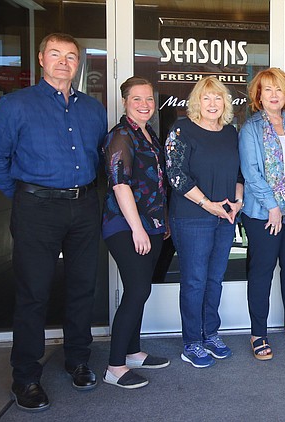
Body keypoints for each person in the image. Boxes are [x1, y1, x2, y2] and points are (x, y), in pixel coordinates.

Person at [0, 33, 107, 411]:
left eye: (71, 56)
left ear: (78, 63)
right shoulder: (15, 105)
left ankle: (78, 360)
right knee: (33, 293)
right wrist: (25, 197)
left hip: (84, 206)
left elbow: (99, 159)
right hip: (36, 208)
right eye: (56, 54)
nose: (64, 62)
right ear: (41, 59)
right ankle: (26, 377)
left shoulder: (93, 109)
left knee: (83, 287)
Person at [165, 76, 243, 368]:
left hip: (225, 216)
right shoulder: (182, 129)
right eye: (206, 98)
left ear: (225, 102)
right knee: (195, 280)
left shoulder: (230, 133)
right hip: (193, 217)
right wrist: (208, 204)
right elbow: (176, 175)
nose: (212, 103)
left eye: (218, 98)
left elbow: (239, 174)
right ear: (197, 102)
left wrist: (238, 202)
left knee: (214, 279)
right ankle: (192, 342)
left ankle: (211, 333)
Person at [101, 77, 171, 389]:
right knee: (137, 290)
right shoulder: (120, 135)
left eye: (149, 100)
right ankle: (115, 367)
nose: (144, 105)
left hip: (152, 224)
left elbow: (156, 182)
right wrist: (138, 228)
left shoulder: (148, 132)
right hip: (126, 225)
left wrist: (160, 223)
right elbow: (120, 185)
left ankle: (132, 352)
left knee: (140, 289)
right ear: (125, 102)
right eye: (137, 99)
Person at [239, 68, 285, 360]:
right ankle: (258, 333)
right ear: (258, 95)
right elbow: (251, 173)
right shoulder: (250, 128)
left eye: (278, 89)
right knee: (262, 271)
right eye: (267, 89)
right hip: (263, 213)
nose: (273, 95)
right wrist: (272, 207)